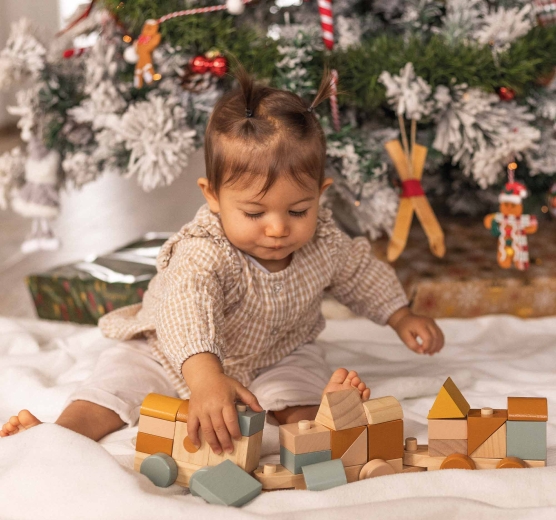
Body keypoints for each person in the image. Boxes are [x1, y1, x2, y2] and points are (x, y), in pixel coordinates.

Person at [1, 65, 444, 456]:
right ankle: (58, 435)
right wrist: (204, 377)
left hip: (276, 354)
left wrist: (400, 314)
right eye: (254, 213)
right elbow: (184, 311)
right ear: (213, 197)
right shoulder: (203, 251)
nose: (277, 229)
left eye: (298, 211)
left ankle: (322, 423)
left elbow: (360, 274)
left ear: (320, 197)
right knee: (112, 388)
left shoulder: (325, 240)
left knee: (296, 389)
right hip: (169, 355)